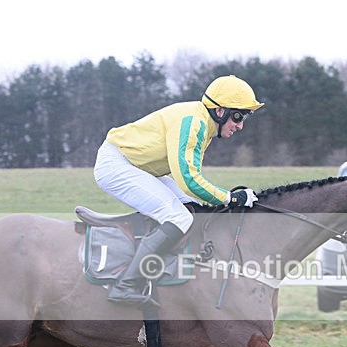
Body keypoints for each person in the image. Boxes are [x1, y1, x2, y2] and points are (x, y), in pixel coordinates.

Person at [93, 75, 264, 304]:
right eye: (238, 116)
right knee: (179, 216)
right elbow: (189, 180)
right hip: (116, 164)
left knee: (191, 208)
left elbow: (189, 183)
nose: (240, 125)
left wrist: (223, 199)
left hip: (137, 166)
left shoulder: (202, 123)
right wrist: (230, 198)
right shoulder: (194, 122)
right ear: (220, 111)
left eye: (243, 118)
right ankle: (126, 285)